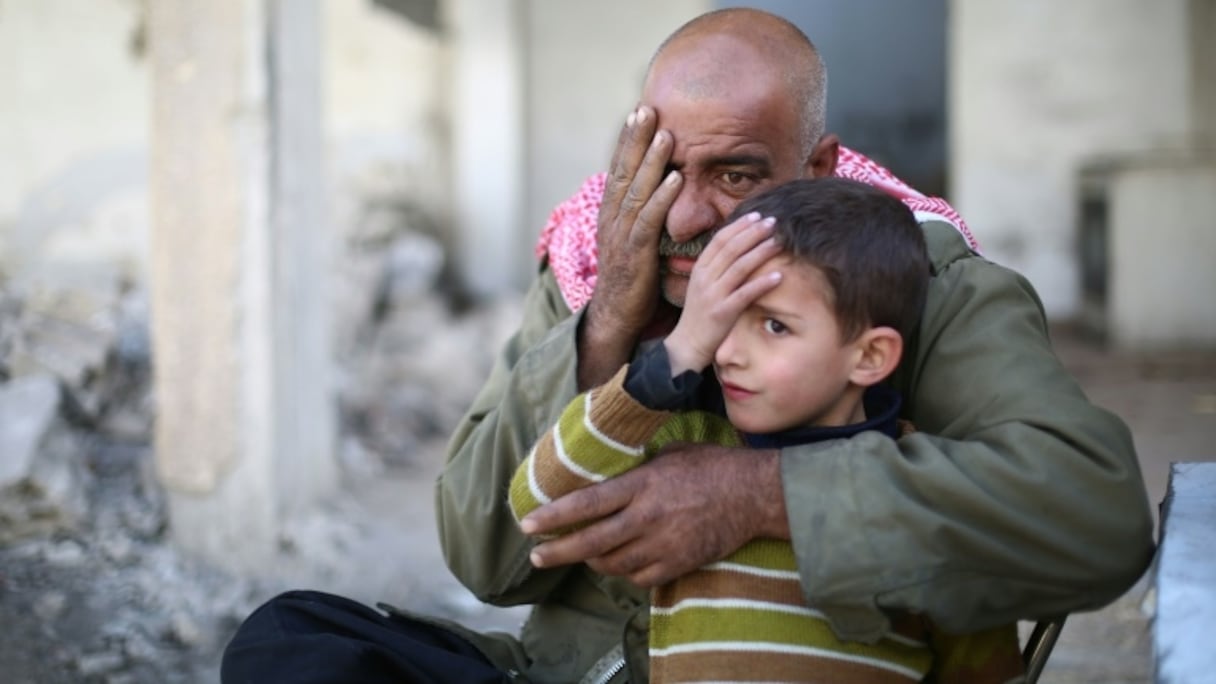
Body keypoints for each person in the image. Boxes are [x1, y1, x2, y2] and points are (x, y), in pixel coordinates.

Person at [221, 7, 1155, 683]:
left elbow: (1092, 514)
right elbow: (486, 556)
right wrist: (608, 334)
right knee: (291, 644)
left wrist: (759, 495)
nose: (691, 213)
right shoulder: (600, 269)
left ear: (816, 169)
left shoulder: (908, 277)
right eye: (665, 169)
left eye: (737, 175)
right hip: (574, 670)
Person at [508, 177, 1025, 683]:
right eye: (723, 320)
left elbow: (986, 667)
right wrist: (673, 357)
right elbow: (537, 509)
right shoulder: (682, 454)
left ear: (869, 355)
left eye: (775, 326)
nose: (728, 353)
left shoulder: (916, 493)